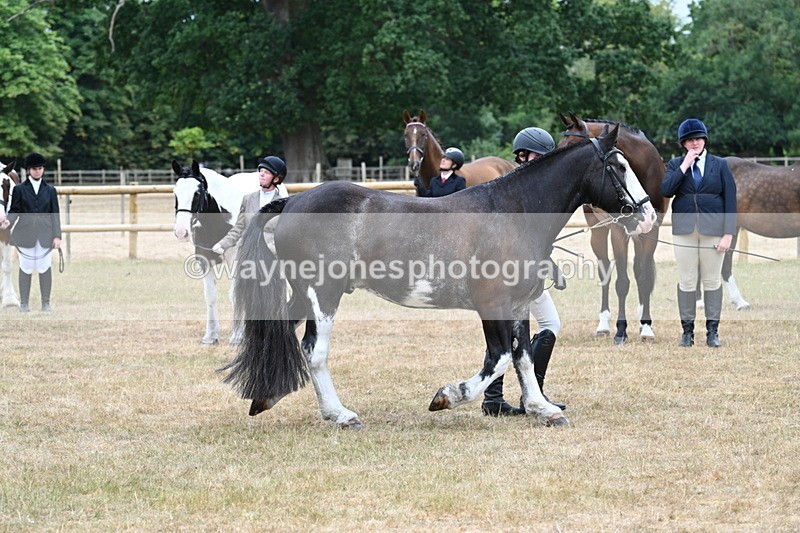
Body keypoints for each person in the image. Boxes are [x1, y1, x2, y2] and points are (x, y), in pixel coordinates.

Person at [481, 127, 567, 416]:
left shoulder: (522, 187)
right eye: (538, 157)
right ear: (524, 156)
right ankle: (530, 393)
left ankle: (495, 399)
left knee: (509, 331)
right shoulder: (522, 191)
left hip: (525, 270)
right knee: (544, 324)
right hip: (516, 273)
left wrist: (550, 264)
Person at [660, 118, 736, 348]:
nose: (695, 143)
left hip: (713, 230)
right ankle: (687, 332)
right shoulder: (675, 165)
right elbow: (666, 190)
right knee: (686, 281)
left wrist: (728, 234)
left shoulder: (720, 165)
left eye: (698, 139)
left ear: (704, 140)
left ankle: (712, 332)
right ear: (684, 143)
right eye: (690, 140)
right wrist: (684, 166)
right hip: (684, 232)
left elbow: (730, 201)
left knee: (712, 280)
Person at [1, 152, 62, 312]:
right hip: (25, 233)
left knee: (45, 267)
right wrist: (8, 221)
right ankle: (24, 303)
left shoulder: (50, 190)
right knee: (25, 267)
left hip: (45, 233)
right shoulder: (19, 189)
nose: (37, 171)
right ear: (29, 170)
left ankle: (45, 303)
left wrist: (57, 236)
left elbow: (55, 214)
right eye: (34, 169)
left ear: (43, 170)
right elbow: (15, 210)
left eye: (40, 168)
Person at [212, 155, 289, 257]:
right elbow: (239, 228)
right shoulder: (247, 199)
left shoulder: (283, 204)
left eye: (266, 172)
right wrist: (222, 244)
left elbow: (286, 234)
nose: (261, 174)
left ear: (276, 179)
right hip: (248, 255)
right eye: (261, 171)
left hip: (272, 256)